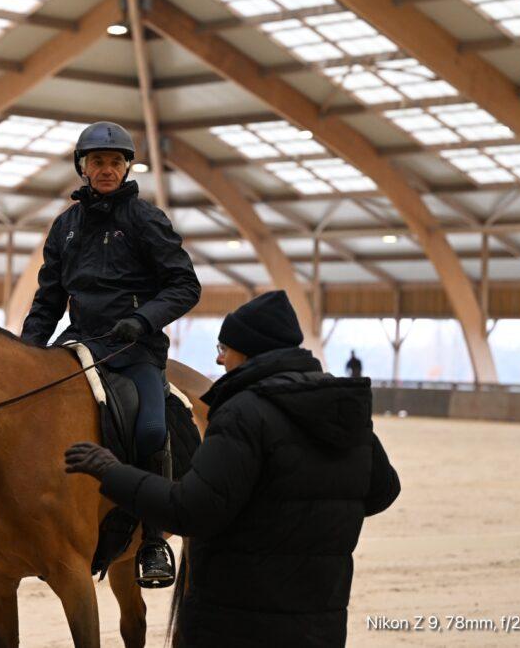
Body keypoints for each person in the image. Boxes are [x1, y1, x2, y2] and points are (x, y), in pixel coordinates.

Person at [65, 291, 401, 647]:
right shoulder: (340, 407)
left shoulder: (244, 413)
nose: (218, 357)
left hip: (239, 623)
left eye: (225, 348)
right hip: (320, 626)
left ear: (249, 351)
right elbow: (383, 491)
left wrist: (112, 471)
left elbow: (189, 510)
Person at [21, 121, 201, 584]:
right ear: (83, 168)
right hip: (79, 343)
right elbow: (47, 300)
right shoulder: (65, 227)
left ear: (126, 167)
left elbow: (185, 285)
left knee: (151, 429)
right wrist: (25, 352)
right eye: (97, 162)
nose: (106, 169)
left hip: (135, 349)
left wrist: (142, 321)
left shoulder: (146, 220)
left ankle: (155, 539)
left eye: (115, 162)